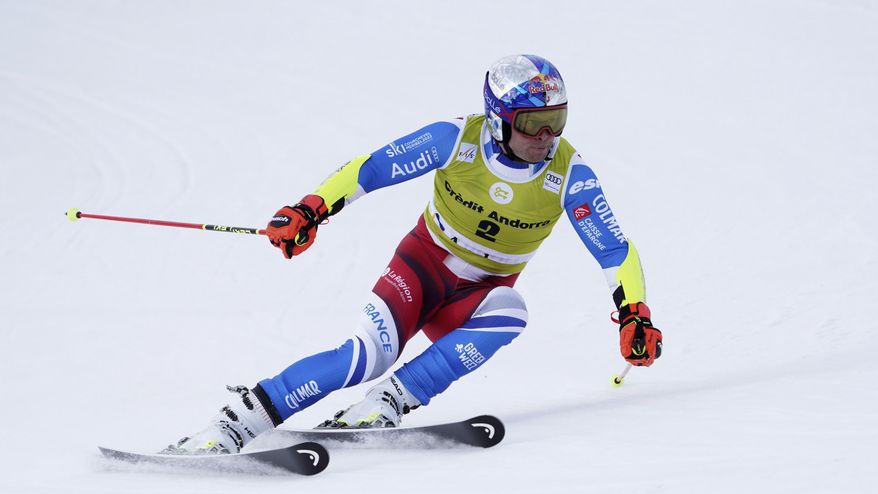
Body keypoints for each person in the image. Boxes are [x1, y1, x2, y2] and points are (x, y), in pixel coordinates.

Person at [165, 54, 663, 455]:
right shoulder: (456, 139)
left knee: (512, 312)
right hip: (420, 269)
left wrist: (633, 315)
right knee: (364, 356)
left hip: (480, 293)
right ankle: (235, 423)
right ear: (498, 119)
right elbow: (371, 169)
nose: (546, 138)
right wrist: (310, 209)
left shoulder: (570, 176)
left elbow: (614, 250)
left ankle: (387, 403)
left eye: (556, 121)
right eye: (533, 123)